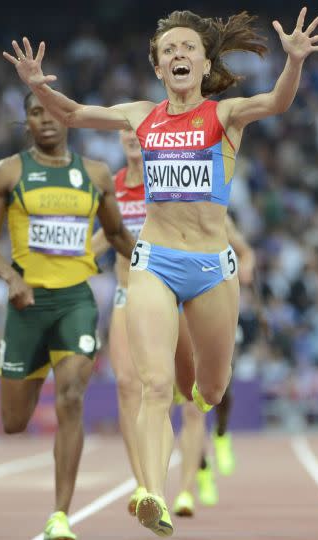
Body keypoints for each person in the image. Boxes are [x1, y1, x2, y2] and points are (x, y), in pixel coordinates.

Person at [5, 8, 318, 536]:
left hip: (211, 266)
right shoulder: (139, 115)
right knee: (153, 387)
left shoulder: (225, 116)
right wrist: (39, 87)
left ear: (204, 63)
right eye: (168, 51)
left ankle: (197, 411)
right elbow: (73, 114)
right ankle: (151, 491)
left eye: (187, 49)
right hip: (153, 261)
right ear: (158, 68)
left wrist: (292, 63)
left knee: (211, 389)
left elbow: (277, 102)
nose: (178, 56)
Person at [0, 93, 135, 540]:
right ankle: (33, 365)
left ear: (68, 117)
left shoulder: (95, 174)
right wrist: (11, 278)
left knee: (70, 398)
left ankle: (60, 516)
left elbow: (118, 233)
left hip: (75, 303)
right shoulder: (8, 172)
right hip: (27, 306)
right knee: (13, 423)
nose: (45, 120)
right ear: (26, 122)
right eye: (35, 113)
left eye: (52, 112)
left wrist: (155, 268)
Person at [90, 129, 197, 517]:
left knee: (182, 391)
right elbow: (110, 232)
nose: (131, 137)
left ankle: (185, 476)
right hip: (127, 291)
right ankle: (144, 484)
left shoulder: (165, 177)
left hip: (170, 293)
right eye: (123, 131)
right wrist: (75, 255)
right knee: (126, 384)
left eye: (137, 130)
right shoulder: (114, 184)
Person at [171, 216, 254, 517]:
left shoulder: (216, 213)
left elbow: (246, 252)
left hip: (218, 303)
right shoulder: (167, 213)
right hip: (180, 310)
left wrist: (245, 266)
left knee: (220, 386)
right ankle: (200, 472)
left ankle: (221, 433)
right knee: (191, 405)